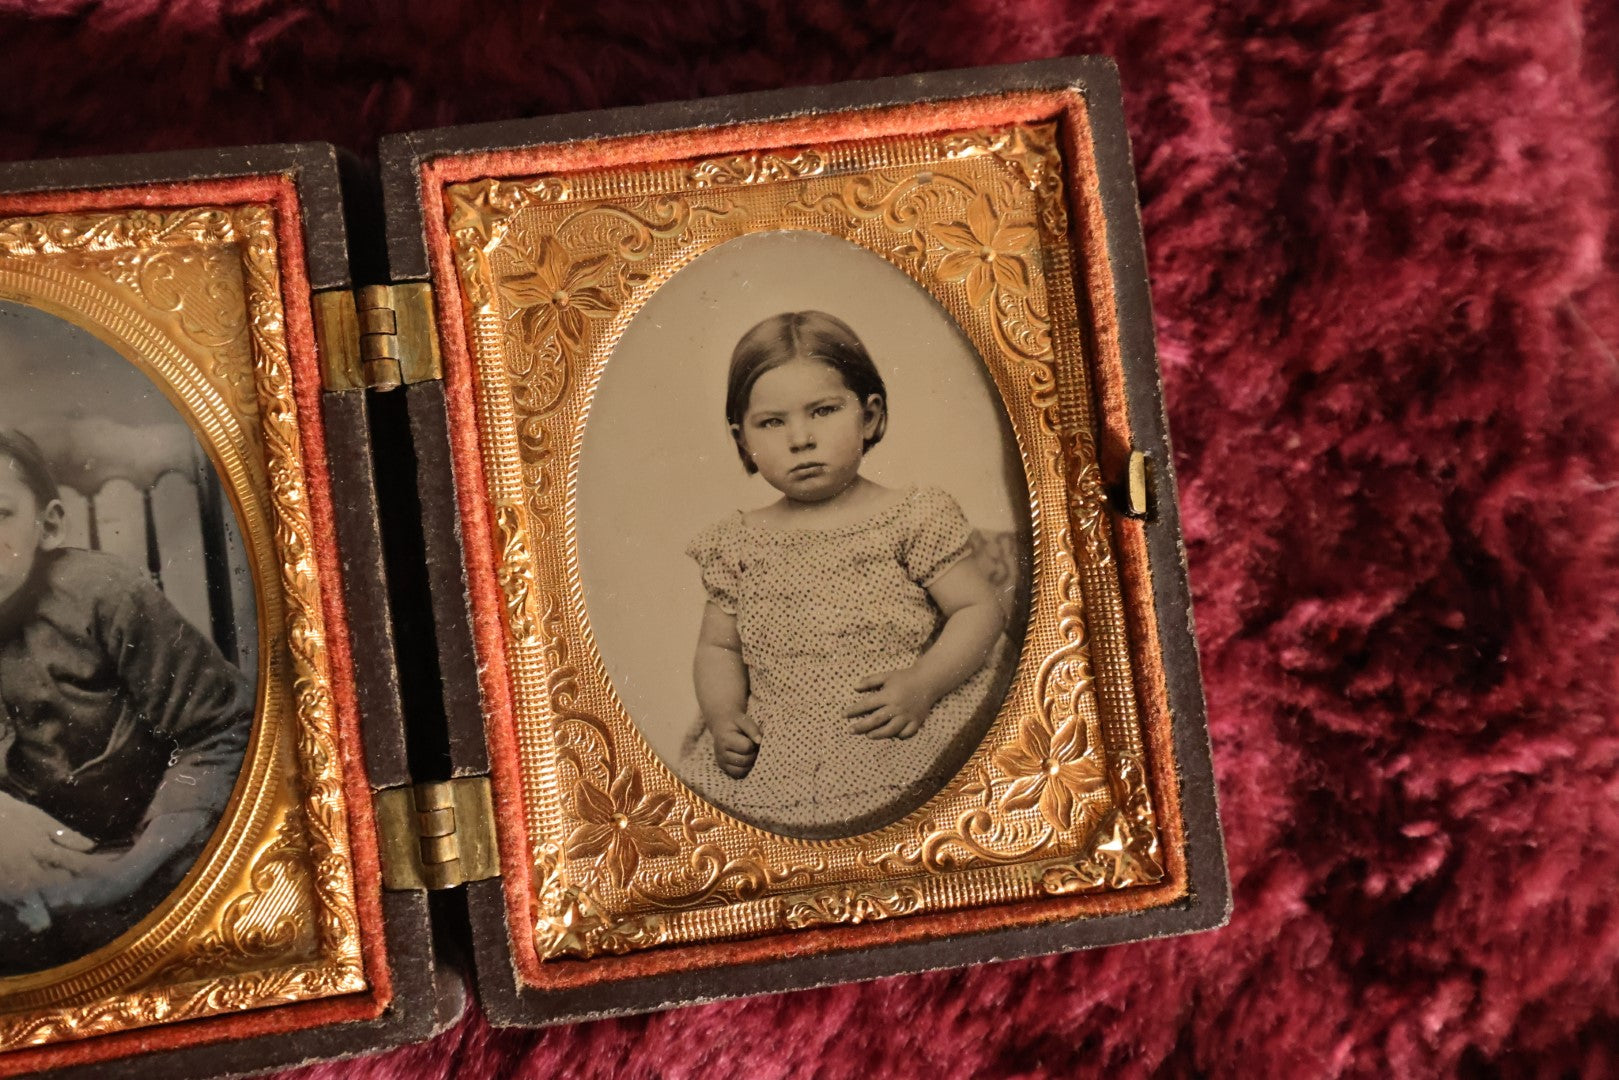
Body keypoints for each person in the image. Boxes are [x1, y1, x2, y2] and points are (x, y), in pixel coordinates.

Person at [683, 311, 1012, 837]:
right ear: (742, 439)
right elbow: (718, 649)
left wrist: (923, 685)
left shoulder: (910, 516)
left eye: (824, 411)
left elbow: (979, 610)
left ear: (870, 415)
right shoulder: (736, 544)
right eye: (772, 423)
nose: (800, 439)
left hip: (894, 732)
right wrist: (724, 717)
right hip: (782, 756)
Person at [0, 429, 252, 975]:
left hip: (143, 851)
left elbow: (224, 728)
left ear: (49, 526)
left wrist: (135, 868)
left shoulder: (106, 595)